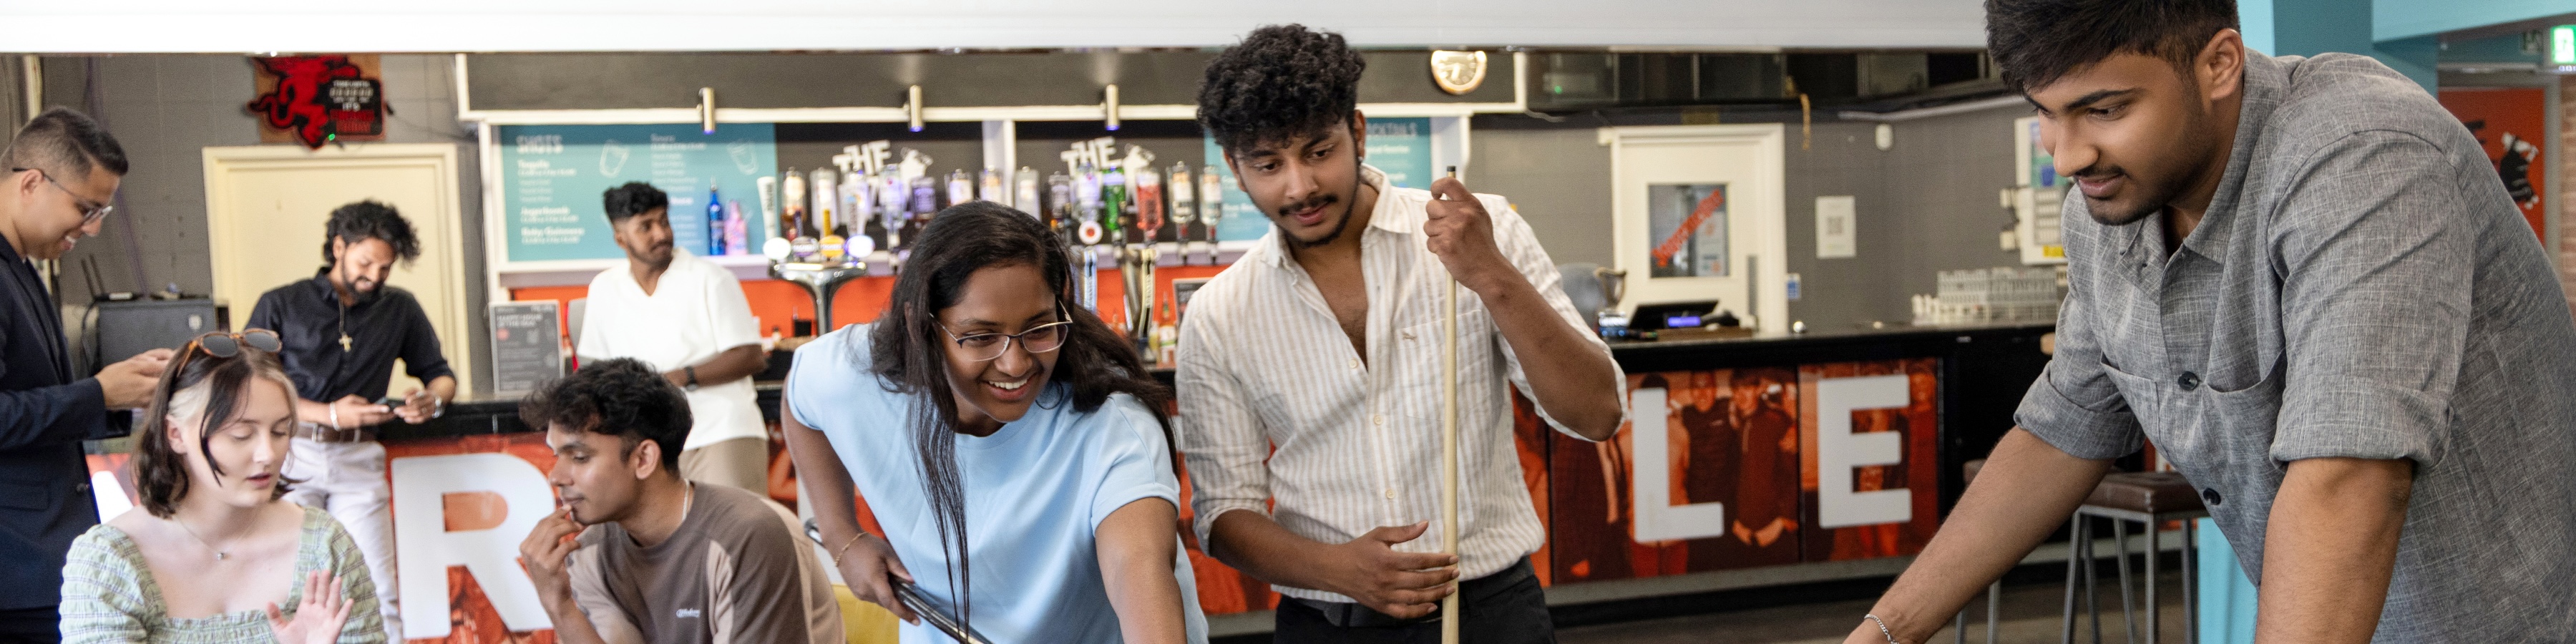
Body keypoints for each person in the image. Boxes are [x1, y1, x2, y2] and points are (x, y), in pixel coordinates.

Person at [1843, 1, 2576, 642]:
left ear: (2220, 63)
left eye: (2104, 109)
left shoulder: (2361, 160)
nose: (2068, 154)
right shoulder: (2110, 207)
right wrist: (1888, 630)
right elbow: (2063, 430)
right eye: (2044, 111)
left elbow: (2349, 475)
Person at [1176, 24, 1628, 642]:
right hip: (1326, 623)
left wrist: (1492, 276)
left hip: (1490, 614)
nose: (1299, 186)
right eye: (1268, 164)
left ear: (1357, 132)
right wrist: (1338, 570)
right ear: (1235, 168)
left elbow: (1597, 414)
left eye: (1317, 151)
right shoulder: (1219, 313)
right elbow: (1224, 515)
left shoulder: (1482, 231)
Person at [781, 203, 1209, 643]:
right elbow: (801, 402)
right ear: (919, 326)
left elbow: (1136, 566)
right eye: (982, 337)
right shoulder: (858, 373)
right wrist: (842, 537)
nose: (1016, 363)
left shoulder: (1111, 421)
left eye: (1040, 329)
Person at [59, 329, 382, 643]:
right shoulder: (109, 561)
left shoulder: (325, 546)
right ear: (176, 434)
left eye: (281, 431)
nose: (267, 454)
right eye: (241, 435)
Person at [244, 200, 457, 639]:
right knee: (292, 588)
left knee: (377, 591)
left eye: (385, 268)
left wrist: (431, 402)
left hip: (359, 459)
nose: (375, 277)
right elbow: (250, 385)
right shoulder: (281, 304)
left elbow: (440, 375)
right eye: (365, 263)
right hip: (291, 456)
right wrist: (328, 413)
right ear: (338, 247)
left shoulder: (399, 307)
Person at [514, 358, 841, 644]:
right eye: (556, 456)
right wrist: (559, 604)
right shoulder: (588, 555)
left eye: (580, 457)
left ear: (643, 459)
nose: (556, 476)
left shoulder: (749, 535)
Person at [0, 107, 173, 642]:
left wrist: (128, 393)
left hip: (40, 559)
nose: (94, 227)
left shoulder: (23, 266)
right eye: (86, 207)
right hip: (14, 566)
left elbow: (39, 398)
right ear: (32, 182)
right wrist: (98, 392)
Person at [575, 182, 771, 496]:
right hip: (648, 444)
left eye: (664, 221)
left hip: (721, 432)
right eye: (646, 227)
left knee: (735, 536)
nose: (661, 234)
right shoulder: (604, 288)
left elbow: (750, 356)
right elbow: (595, 368)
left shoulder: (711, 278)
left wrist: (680, 377)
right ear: (620, 237)